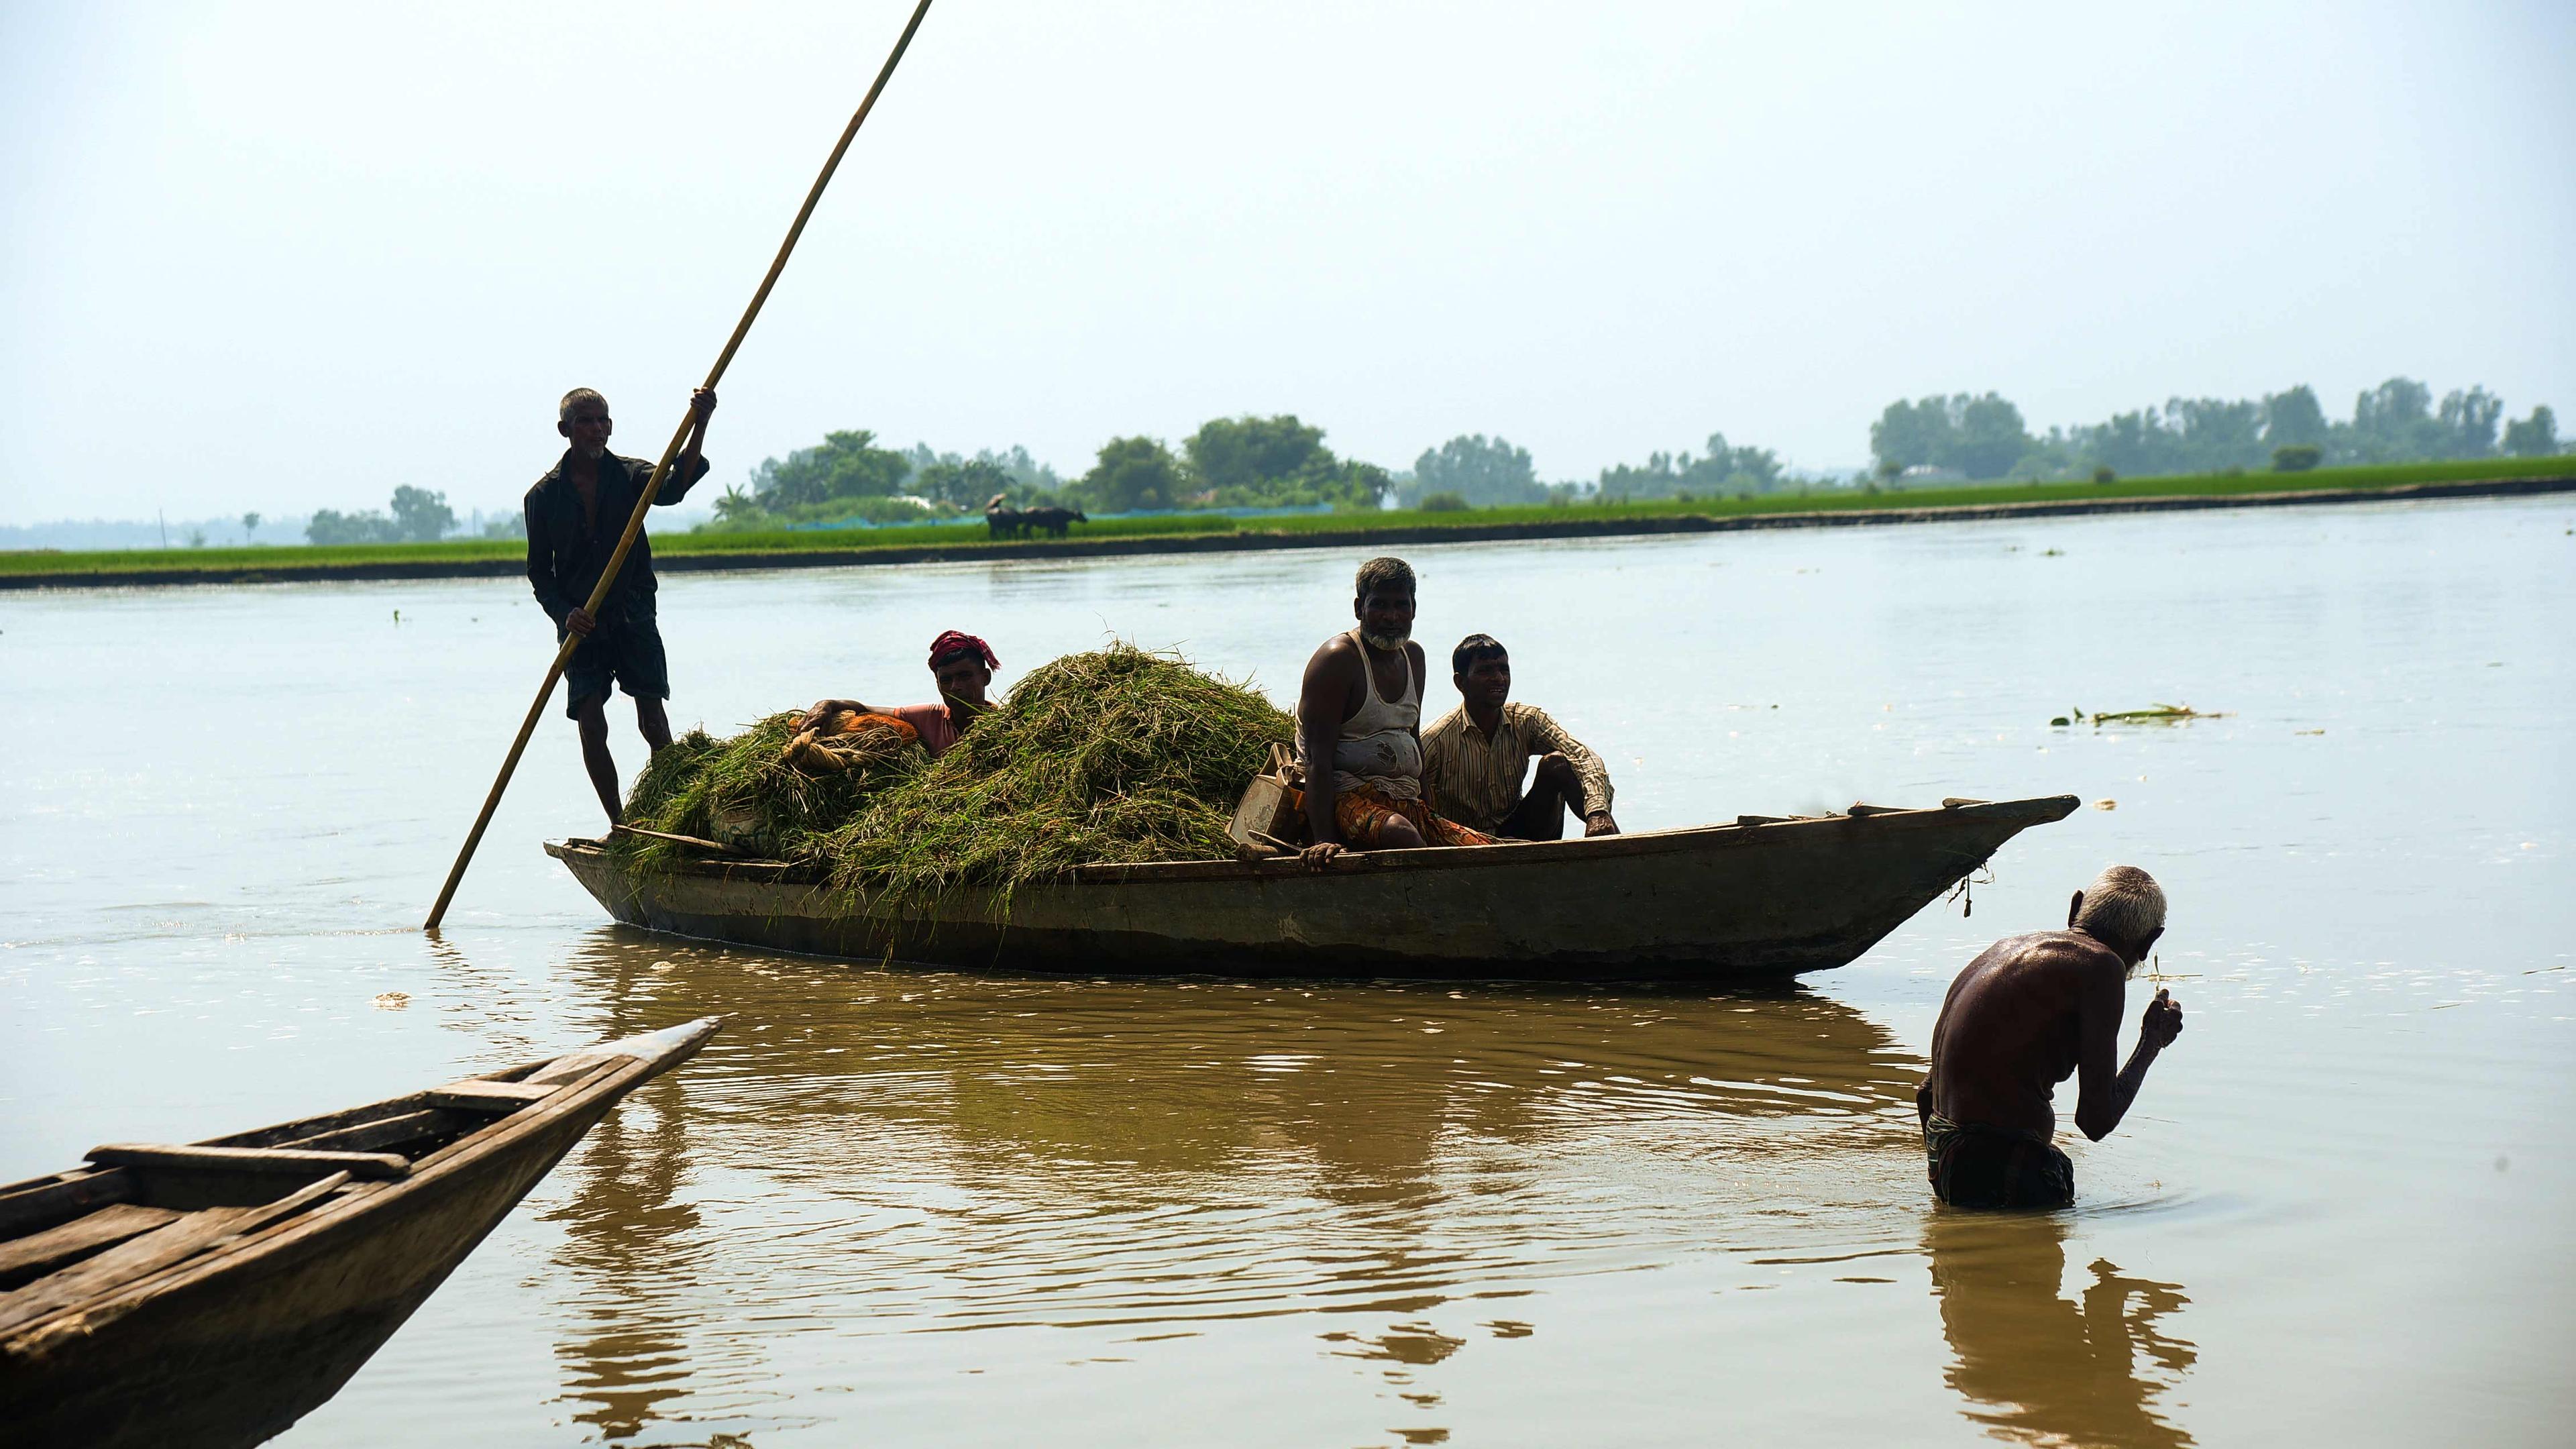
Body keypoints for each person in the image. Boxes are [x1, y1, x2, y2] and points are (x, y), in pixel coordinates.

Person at [1918, 865, 2186, 1210]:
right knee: (2051, 1177)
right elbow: (2095, 1121)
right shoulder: (2102, 967)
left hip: (1946, 1150)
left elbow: (1926, 1094)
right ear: (2150, 942)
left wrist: (1947, 1175)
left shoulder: (2005, 948)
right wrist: (2151, 1042)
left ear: (2076, 908)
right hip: (1996, 1166)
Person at [525, 385, 716, 824]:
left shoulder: (630, 476)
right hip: (583, 625)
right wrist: (564, 613)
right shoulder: (543, 497)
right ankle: (621, 825)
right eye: (586, 422)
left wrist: (700, 423)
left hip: (631, 614)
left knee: (653, 718)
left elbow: (673, 488)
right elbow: (540, 573)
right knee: (591, 723)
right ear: (565, 430)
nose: (597, 429)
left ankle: (677, 816)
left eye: (603, 421)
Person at [1295, 557, 1493, 868]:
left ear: (1414, 608)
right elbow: (1316, 761)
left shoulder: (1414, 657)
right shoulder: (1338, 659)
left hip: (1404, 799)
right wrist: (1324, 840)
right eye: (1380, 605)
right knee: (1402, 834)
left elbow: (1411, 739)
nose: (1392, 617)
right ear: (1360, 608)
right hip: (1348, 799)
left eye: (1401, 605)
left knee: (1486, 851)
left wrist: (1430, 814)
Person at [1421, 634, 1619, 840]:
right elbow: (1406, 793)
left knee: (1557, 764)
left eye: (1503, 669)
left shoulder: (1526, 721)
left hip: (1519, 829)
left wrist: (1598, 812)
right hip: (1461, 840)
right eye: (1485, 671)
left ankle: (1616, 848)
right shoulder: (1436, 739)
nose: (1498, 678)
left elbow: (1582, 756)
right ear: (1461, 682)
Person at [800, 630, 1000, 760]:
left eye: (965, 676)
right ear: (937, 684)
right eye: (946, 680)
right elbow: (866, 709)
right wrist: (827, 704)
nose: (955, 687)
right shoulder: (931, 717)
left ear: (985, 677)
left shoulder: (1008, 726)